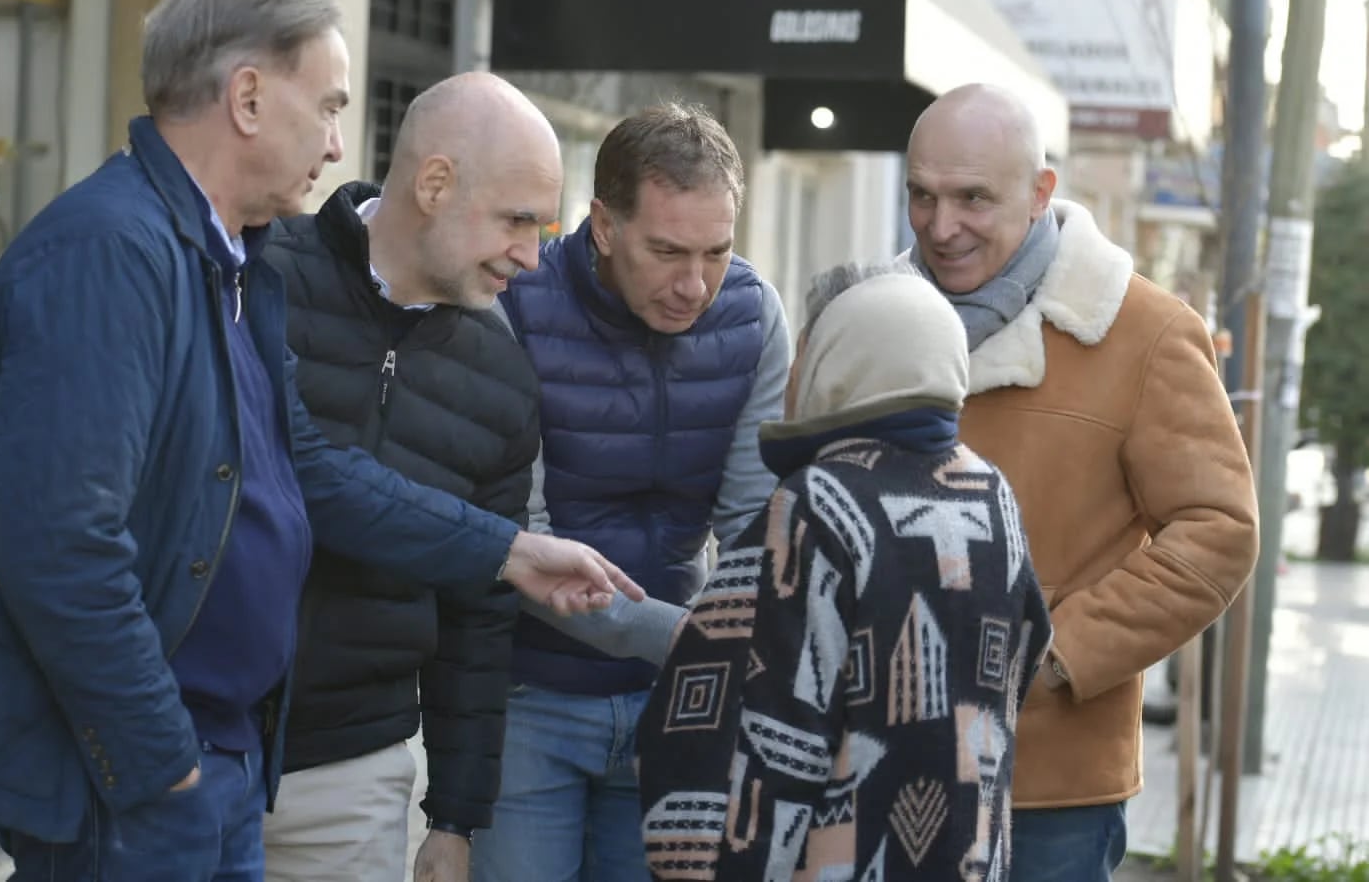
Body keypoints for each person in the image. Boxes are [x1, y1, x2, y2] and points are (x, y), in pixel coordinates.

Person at [0, 0, 639, 882]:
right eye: (326, 106)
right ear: (245, 98)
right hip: (151, 778)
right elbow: (62, 546)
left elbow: (301, 467)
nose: (337, 141)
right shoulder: (110, 252)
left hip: (221, 762)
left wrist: (504, 551)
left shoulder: (229, 262)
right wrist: (162, 764)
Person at [904, 83, 1259, 880]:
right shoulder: (869, 320)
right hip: (878, 767)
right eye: (920, 195)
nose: (939, 225)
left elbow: (1218, 530)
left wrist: (1054, 657)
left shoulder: (1147, 331)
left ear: (1039, 194)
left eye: (971, 198)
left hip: (1050, 785)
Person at [637, 259, 1051, 880]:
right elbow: (1024, 660)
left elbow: (751, 717)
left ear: (843, 359)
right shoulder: (992, 497)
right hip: (967, 856)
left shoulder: (819, 503)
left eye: (810, 350)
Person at [471, 102, 791, 882]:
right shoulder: (513, 303)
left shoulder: (751, 316)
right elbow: (520, 534)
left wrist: (718, 650)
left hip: (677, 701)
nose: (694, 285)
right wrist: (696, 639)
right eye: (667, 251)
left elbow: (755, 523)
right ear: (604, 226)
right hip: (530, 697)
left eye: (716, 251)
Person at [259, 72, 562, 882]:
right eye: (516, 220)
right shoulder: (256, 279)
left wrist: (455, 817)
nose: (532, 257)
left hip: (351, 775)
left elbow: (479, 615)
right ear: (434, 184)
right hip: (186, 740)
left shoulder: (504, 378)